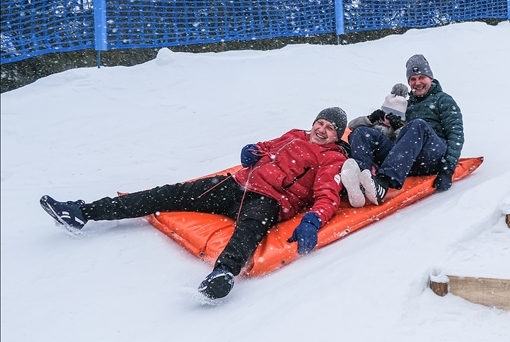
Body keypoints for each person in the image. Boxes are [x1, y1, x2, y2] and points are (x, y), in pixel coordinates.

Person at [39, 108, 350, 300]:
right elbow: (265, 146)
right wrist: (252, 150)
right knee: (167, 194)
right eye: (320, 123)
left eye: (329, 128)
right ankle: (83, 212)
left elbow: (327, 196)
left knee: (250, 230)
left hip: (270, 200)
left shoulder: (332, 158)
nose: (321, 130)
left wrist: (312, 221)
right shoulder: (295, 134)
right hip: (236, 184)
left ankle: (222, 275)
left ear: (336, 136)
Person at [343, 54, 464, 207]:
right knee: (362, 133)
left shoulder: (443, 100)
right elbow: (397, 136)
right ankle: (361, 182)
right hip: (406, 159)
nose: (417, 83)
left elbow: (456, 134)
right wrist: (380, 121)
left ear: (431, 78)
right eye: (413, 79)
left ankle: (383, 182)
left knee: (418, 125)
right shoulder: (405, 105)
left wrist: (448, 169)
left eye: (421, 77)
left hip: (432, 155)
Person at [341, 84, 410, 208]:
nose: (386, 119)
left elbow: (405, 146)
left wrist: (397, 128)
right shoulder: (375, 122)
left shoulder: (403, 126)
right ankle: (358, 179)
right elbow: (351, 126)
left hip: (388, 155)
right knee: (356, 134)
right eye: (385, 113)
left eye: (392, 115)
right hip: (370, 156)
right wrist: (369, 119)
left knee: (361, 133)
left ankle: (361, 175)